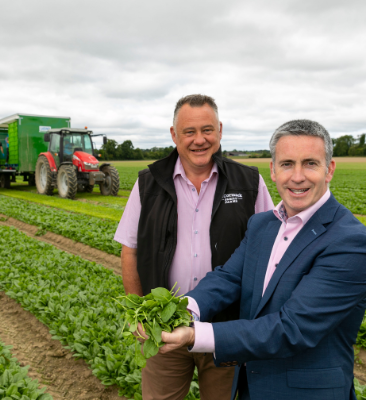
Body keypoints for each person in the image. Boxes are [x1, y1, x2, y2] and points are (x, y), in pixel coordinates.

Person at [157, 119, 366, 400]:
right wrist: (185, 308)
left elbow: (293, 328)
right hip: (250, 387)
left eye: (310, 164)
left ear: (329, 170)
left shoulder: (350, 240)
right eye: (287, 163)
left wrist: (196, 334)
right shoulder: (262, 225)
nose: (297, 176)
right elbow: (229, 277)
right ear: (273, 170)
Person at [114, 94, 274, 400]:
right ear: (174, 135)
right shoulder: (148, 183)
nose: (199, 140)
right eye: (189, 132)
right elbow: (130, 249)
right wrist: (138, 314)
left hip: (227, 330)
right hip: (163, 326)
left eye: (207, 130)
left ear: (220, 131)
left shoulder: (248, 182)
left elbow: (268, 252)